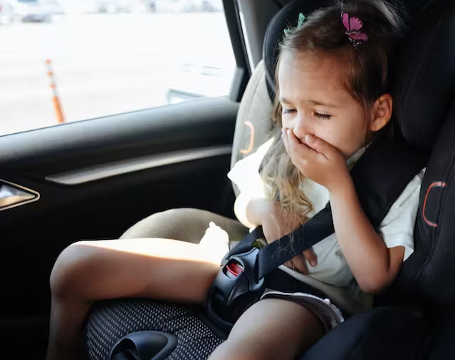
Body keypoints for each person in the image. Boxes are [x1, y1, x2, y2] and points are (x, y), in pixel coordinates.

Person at [46, 1, 425, 360]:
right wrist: (266, 208)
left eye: (321, 114)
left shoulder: (396, 181)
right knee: (74, 266)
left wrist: (340, 188)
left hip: (308, 295)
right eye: (290, 108)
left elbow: (374, 277)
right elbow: (242, 200)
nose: (298, 126)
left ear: (378, 113)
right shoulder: (287, 144)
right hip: (242, 260)